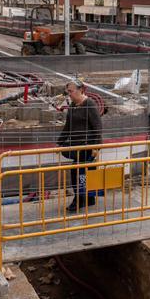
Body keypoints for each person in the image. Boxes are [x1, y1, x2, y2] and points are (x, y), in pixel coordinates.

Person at [58, 79, 103, 212]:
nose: (69, 94)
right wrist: (59, 142)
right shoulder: (72, 106)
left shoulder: (90, 104)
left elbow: (98, 128)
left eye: (71, 91)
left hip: (87, 147)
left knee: (78, 173)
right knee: (82, 173)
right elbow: (68, 127)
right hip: (76, 146)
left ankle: (79, 200)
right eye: (68, 92)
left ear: (80, 90)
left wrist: (96, 147)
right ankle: (88, 199)